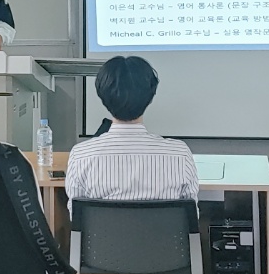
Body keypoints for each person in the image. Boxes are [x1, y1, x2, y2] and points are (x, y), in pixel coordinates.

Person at [65, 55, 198, 204]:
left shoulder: (81, 156)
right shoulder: (180, 154)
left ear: (102, 96)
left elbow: (76, 215)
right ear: (150, 96)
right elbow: (191, 214)